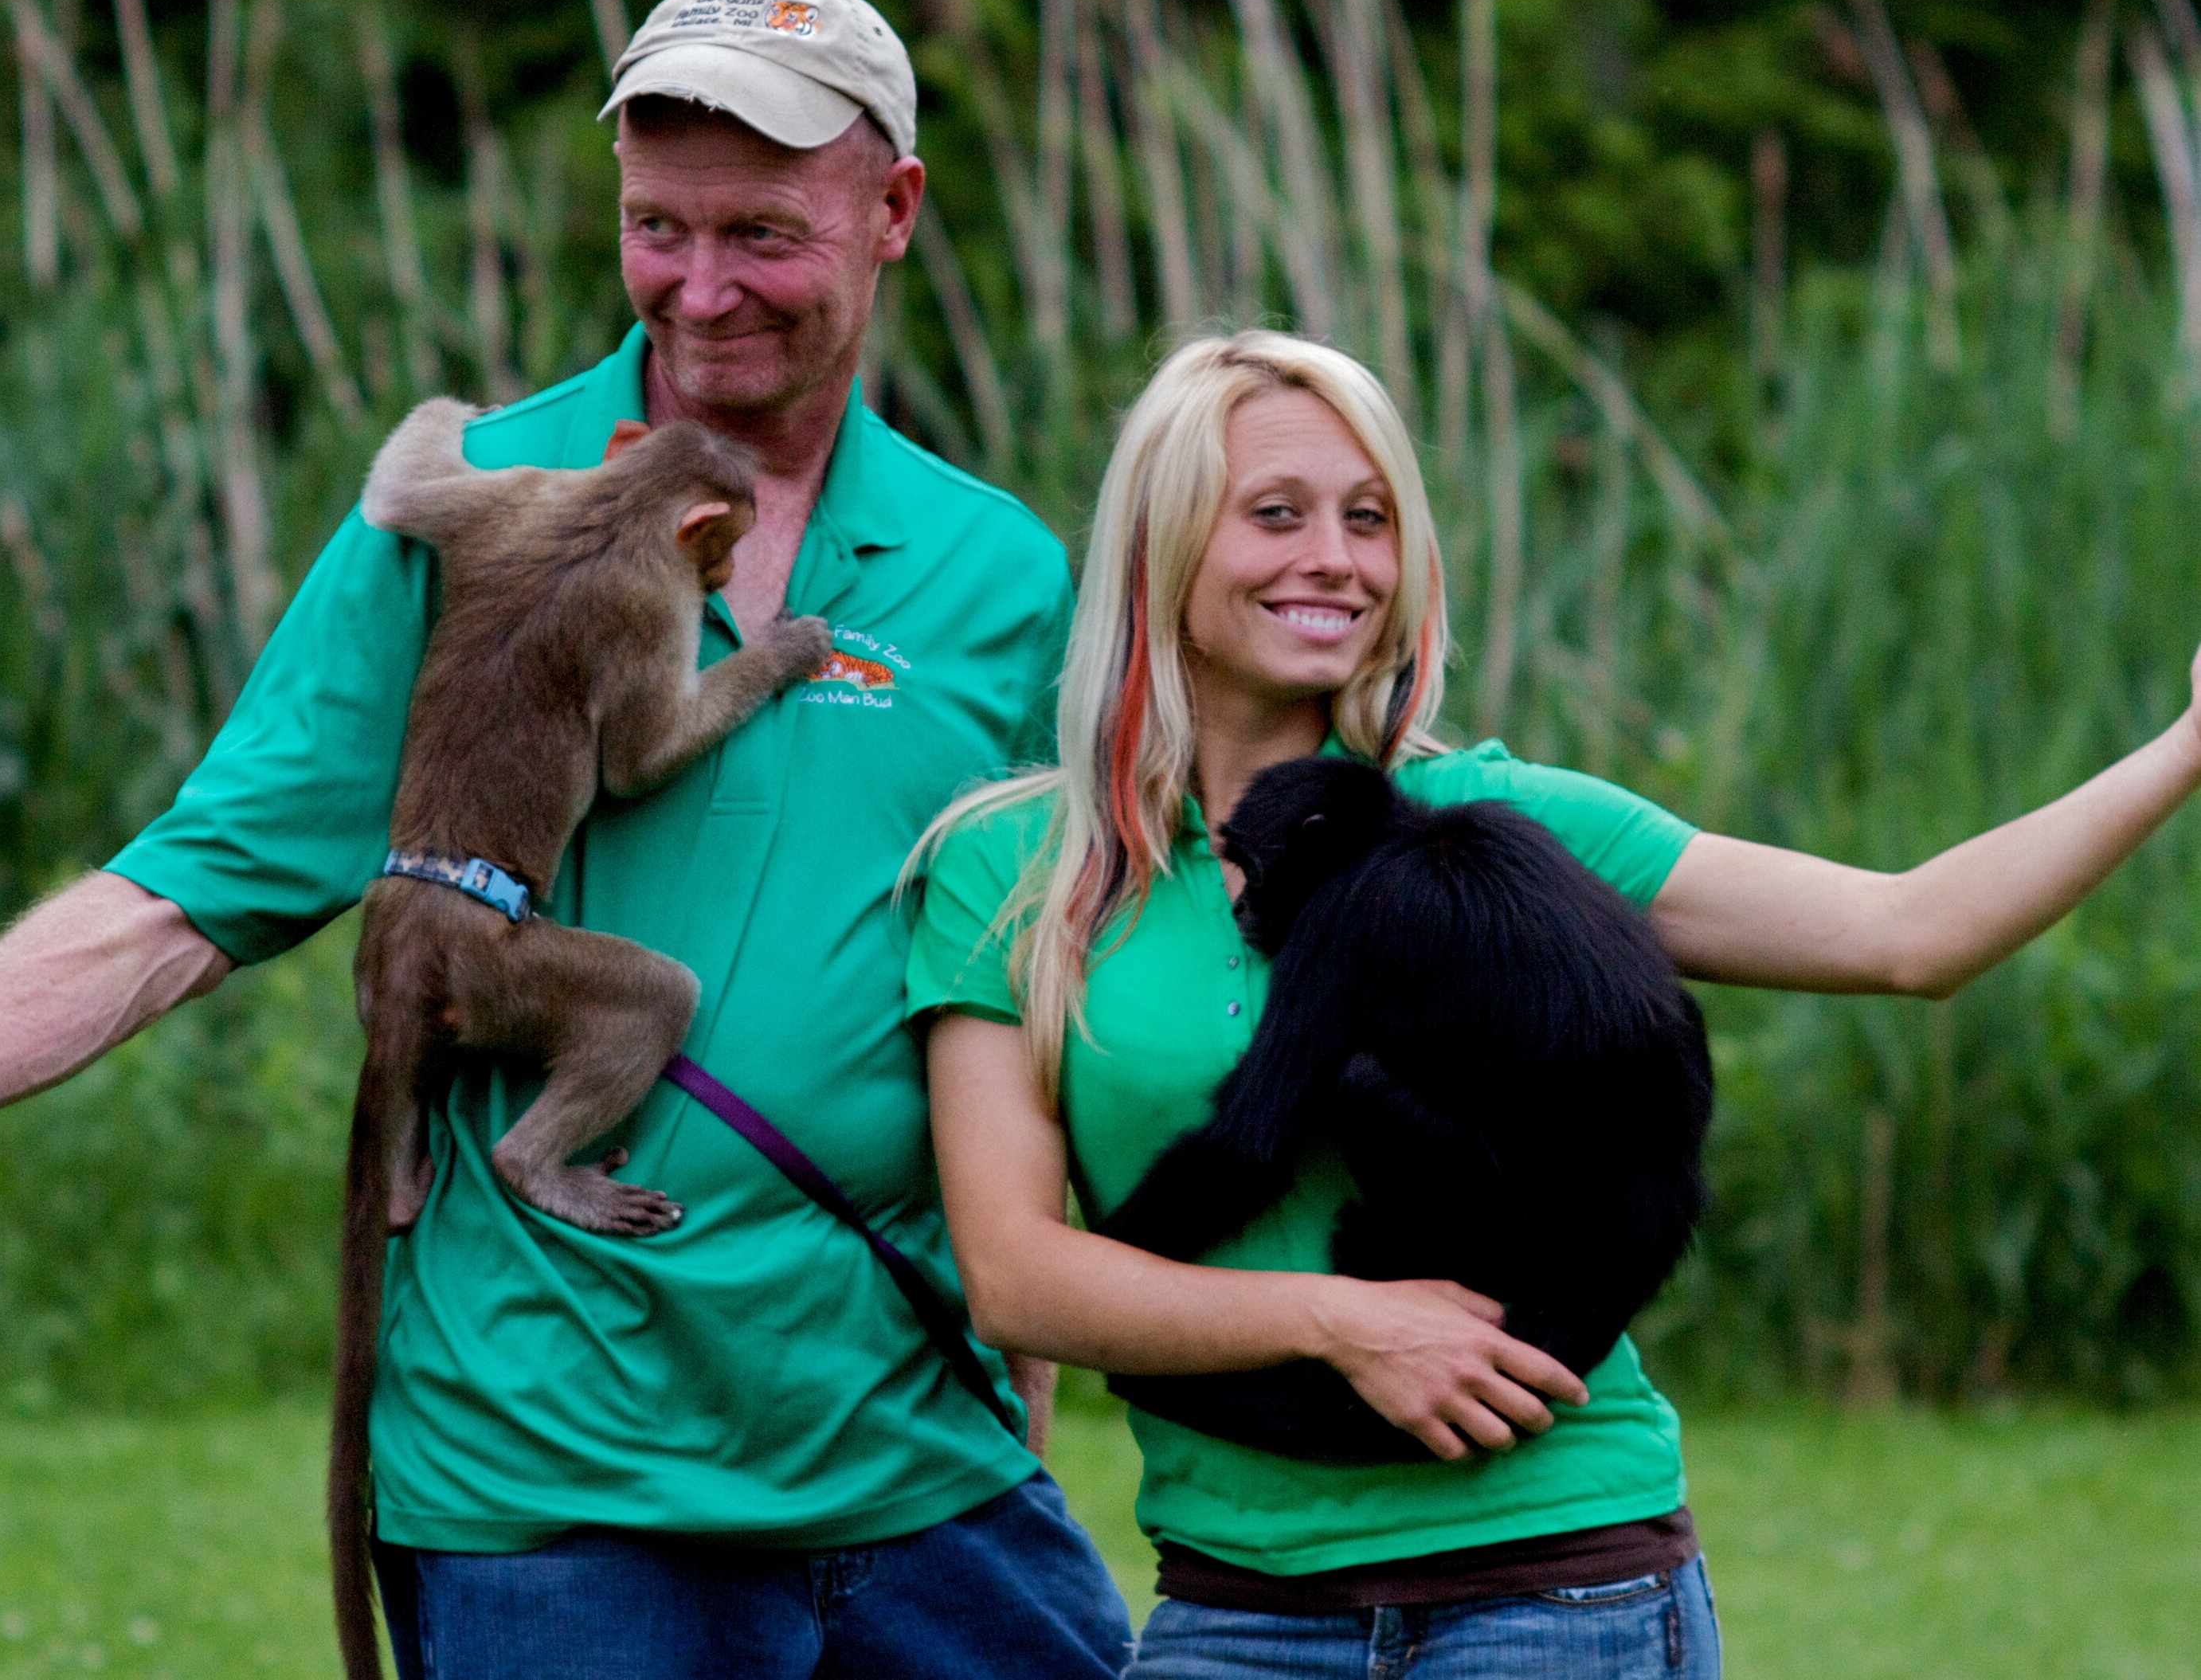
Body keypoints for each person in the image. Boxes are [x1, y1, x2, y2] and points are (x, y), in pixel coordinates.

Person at [0, 0, 1134, 1680]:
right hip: (551, 1482)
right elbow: (203, 879)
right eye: (657, 227)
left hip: (913, 1462)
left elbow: (1019, 987)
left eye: (762, 233)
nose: (700, 288)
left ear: (892, 211)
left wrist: (1025, 1382)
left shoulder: (999, 569)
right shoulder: (493, 503)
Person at [907, 330, 2201, 1679]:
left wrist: (2187, 744)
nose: (1336, 559)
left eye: (1371, 519)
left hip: (1557, 1590)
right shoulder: (1016, 873)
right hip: (1234, 1606)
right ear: (1161, 551)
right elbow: (1014, 1274)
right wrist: (1345, 1322)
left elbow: (1908, 933)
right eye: (1276, 515)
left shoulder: (1495, 827)